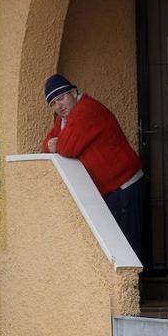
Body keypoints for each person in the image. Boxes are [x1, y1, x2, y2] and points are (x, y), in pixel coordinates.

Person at [40, 73, 144, 258]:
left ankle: (136, 287)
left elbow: (66, 147)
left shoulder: (86, 110)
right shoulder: (65, 118)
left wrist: (56, 143)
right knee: (120, 248)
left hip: (124, 186)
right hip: (112, 189)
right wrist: (51, 144)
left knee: (129, 249)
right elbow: (47, 143)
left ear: (73, 92)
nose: (59, 106)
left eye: (61, 98)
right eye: (53, 103)